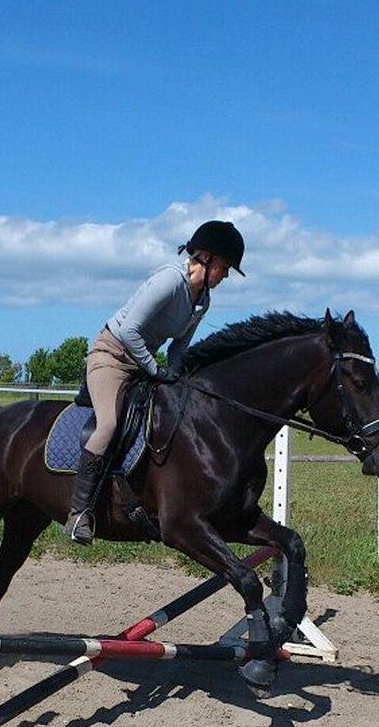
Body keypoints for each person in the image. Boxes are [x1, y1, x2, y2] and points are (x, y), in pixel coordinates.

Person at [64, 219, 246, 544]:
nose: (226, 275)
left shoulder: (202, 300)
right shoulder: (169, 281)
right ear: (204, 258)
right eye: (224, 266)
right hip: (111, 357)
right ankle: (79, 513)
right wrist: (156, 369)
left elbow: (178, 348)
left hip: (141, 365)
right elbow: (129, 330)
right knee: (108, 425)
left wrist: (179, 377)